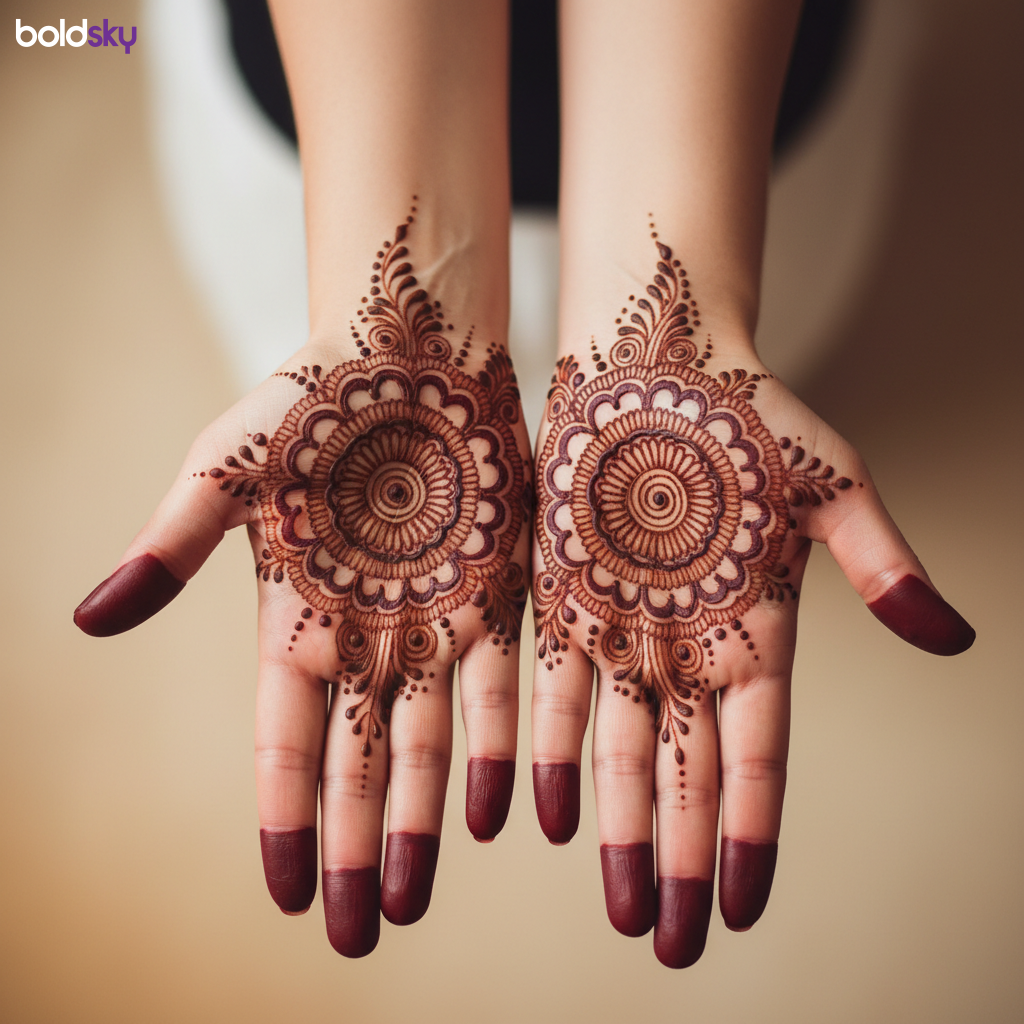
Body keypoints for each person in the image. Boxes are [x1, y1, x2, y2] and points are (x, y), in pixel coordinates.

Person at [73, 0, 974, 968]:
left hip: (740, 123)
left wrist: (682, 290)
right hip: (328, 121)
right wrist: (399, 298)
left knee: (792, 320)